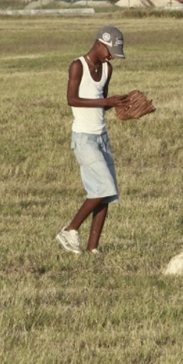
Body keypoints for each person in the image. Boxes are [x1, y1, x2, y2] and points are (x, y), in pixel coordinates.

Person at [55, 26, 129, 256]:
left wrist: (119, 106)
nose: (111, 55)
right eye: (109, 50)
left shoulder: (107, 68)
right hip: (84, 138)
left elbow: (103, 100)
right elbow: (72, 99)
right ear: (99, 44)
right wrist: (107, 102)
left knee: (105, 194)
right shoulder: (77, 65)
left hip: (101, 137)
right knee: (102, 186)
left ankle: (93, 248)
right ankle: (69, 230)